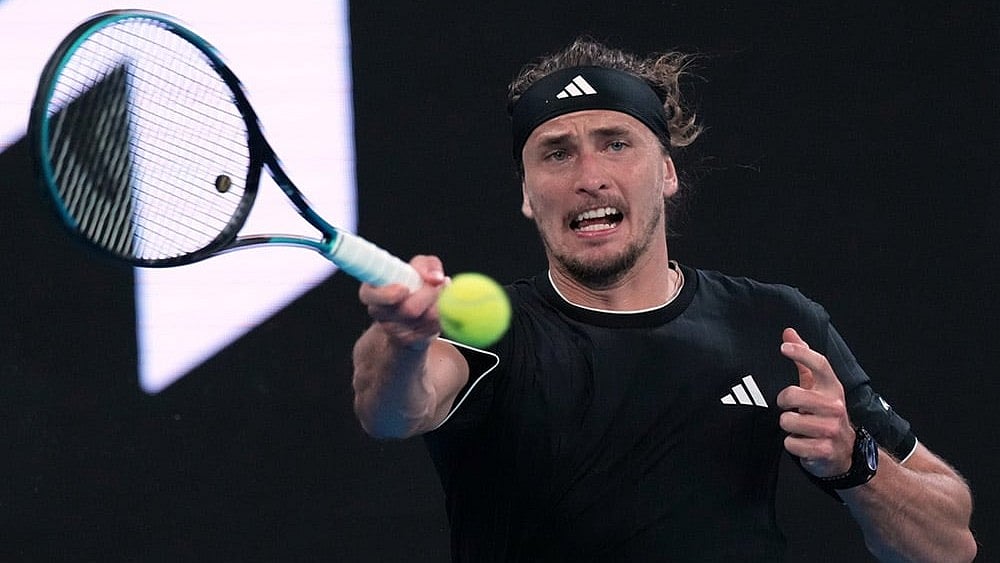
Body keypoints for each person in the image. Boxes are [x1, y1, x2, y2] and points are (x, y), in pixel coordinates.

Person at [351, 37, 977, 562]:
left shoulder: (776, 323)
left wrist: (855, 460)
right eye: (556, 153)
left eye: (616, 143)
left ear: (669, 172)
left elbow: (951, 544)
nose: (589, 175)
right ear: (526, 193)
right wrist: (402, 340)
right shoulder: (488, 331)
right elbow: (391, 411)